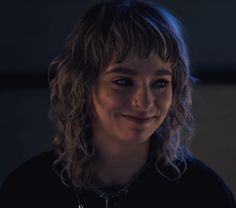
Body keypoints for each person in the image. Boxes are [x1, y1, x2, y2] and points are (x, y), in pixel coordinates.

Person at [0, 0, 235, 207]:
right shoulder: (28, 189)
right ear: (84, 84)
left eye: (160, 83)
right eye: (123, 81)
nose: (144, 101)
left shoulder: (203, 194)